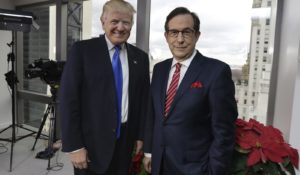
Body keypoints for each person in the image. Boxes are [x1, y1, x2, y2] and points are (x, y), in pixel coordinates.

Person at [143, 7, 238, 175]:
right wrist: (150, 152)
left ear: (197, 35)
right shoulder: (159, 69)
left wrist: (215, 171)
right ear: (166, 36)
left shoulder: (216, 72)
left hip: (195, 169)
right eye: (174, 32)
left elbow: (224, 131)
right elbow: (154, 115)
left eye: (186, 32)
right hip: (159, 165)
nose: (180, 39)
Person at [59, 0, 150, 174]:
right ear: (103, 23)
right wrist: (74, 146)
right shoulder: (82, 51)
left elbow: (143, 100)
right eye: (115, 21)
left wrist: (141, 136)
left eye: (126, 22)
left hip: (126, 141)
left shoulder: (141, 58)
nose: (121, 27)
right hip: (90, 143)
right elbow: (68, 99)